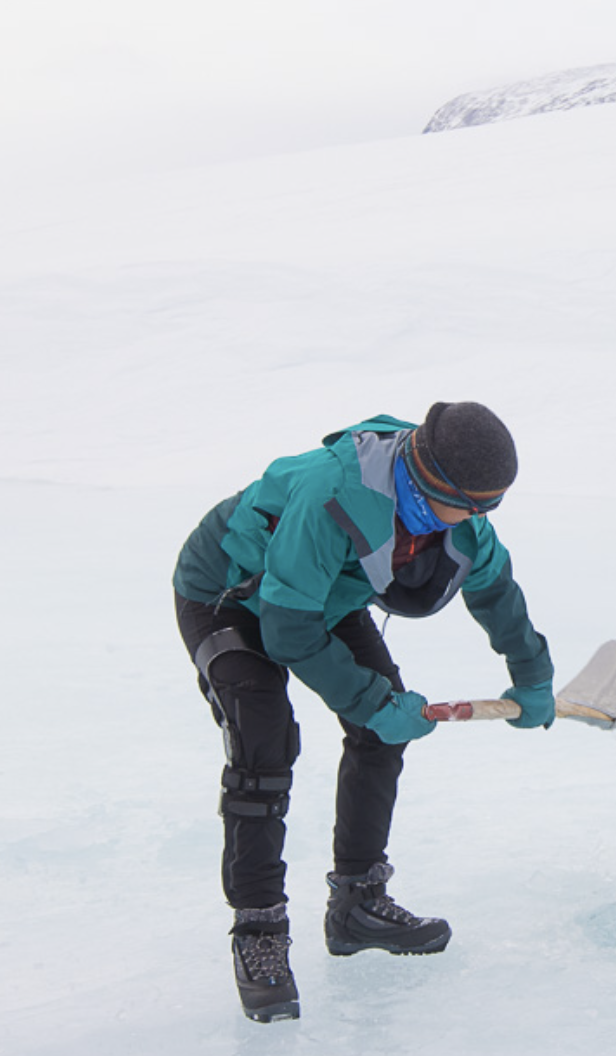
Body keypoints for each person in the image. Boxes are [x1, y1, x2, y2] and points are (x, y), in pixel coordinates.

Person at [173, 402, 555, 1022]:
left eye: (493, 507)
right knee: (264, 745)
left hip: (323, 593)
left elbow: (494, 589)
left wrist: (532, 674)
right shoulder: (336, 495)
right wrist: (375, 702)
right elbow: (288, 632)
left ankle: (357, 905)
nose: (484, 520)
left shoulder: (457, 516)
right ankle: (260, 935)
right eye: (478, 505)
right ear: (434, 484)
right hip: (231, 596)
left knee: (382, 736)